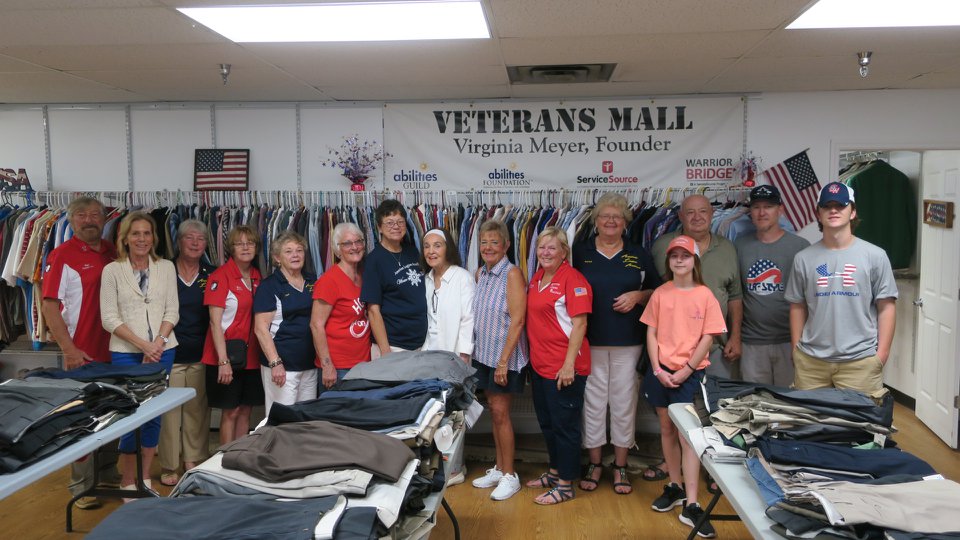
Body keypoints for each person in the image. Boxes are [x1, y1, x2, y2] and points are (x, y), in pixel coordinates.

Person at [572, 193, 661, 495]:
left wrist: (638, 296)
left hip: (628, 341)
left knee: (624, 403)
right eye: (604, 216)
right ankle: (595, 463)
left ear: (625, 222)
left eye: (617, 216)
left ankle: (621, 465)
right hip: (590, 340)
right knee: (593, 403)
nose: (610, 221)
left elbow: (658, 290)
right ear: (595, 222)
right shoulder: (580, 251)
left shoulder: (639, 253)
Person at [641, 235, 727, 538]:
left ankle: (692, 503)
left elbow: (709, 336)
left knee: (688, 437)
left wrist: (687, 368)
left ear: (694, 261)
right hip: (660, 373)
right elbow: (651, 333)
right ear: (669, 261)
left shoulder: (705, 295)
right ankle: (674, 486)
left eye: (685, 256)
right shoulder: (661, 294)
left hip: (689, 374)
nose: (679, 260)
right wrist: (656, 368)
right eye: (674, 256)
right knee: (666, 429)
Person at [40, 196, 122, 509]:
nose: (89, 220)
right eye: (82, 215)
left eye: (95, 215)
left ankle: (107, 472)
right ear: (72, 221)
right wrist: (68, 349)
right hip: (81, 352)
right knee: (81, 420)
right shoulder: (62, 255)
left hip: (115, 350)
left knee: (114, 413)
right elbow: (49, 306)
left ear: (104, 219)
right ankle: (82, 487)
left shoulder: (114, 251)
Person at [785, 182, 898, 398]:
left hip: (860, 362)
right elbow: (797, 306)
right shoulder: (804, 259)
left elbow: (887, 307)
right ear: (818, 213)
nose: (834, 210)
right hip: (811, 363)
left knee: (859, 429)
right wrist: (796, 350)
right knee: (811, 427)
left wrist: (881, 355)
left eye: (841, 205)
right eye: (827, 206)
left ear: (852, 211)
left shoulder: (875, 256)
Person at [100, 211, 179, 496]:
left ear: (153, 238)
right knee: (128, 414)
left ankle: (145, 480)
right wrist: (143, 345)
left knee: (153, 414)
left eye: (147, 233)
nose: (142, 239)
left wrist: (157, 342)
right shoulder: (112, 270)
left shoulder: (166, 267)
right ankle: (127, 481)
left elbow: (172, 310)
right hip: (125, 352)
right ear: (125, 238)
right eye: (136, 233)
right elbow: (109, 318)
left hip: (163, 350)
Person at [524, 227, 592, 505]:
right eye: (542, 247)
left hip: (564, 367)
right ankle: (554, 472)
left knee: (565, 426)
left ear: (564, 252)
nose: (546, 253)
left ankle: (565, 485)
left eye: (552, 248)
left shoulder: (573, 279)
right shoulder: (537, 277)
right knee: (548, 423)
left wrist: (567, 365)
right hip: (540, 366)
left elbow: (580, 324)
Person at [652, 194, 743, 379]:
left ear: (712, 214)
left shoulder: (727, 248)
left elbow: (735, 296)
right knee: (677, 405)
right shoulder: (662, 246)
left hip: (717, 348)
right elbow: (652, 293)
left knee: (717, 404)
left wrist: (735, 337)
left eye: (703, 211)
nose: (697, 217)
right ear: (680, 216)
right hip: (674, 350)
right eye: (690, 212)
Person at [469, 220, 529, 501]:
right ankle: (499, 467)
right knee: (494, 411)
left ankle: (510, 475)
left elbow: (517, 321)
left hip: (504, 357)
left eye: (495, 242)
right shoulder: (482, 272)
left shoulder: (512, 273)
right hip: (485, 356)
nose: (488, 247)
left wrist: (504, 361)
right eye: (484, 242)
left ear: (506, 245)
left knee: (502, 414)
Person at [158, 219, 216, 486]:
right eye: (189, 238)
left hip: (200, 354)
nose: (195, 243)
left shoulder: (211, 274)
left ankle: (193, 459)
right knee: (169, 414)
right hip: (168, 353)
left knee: (196, 410)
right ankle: (170, 464)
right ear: (179, 241)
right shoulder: (163, 270)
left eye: (200, 239)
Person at [735, 185, 809, 386]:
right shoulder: (739, 246)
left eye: (768, 206)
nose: (761, 212)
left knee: (790, 406)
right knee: (755, 405)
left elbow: (809, 299)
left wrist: (801, 344)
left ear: (780, 210)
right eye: (756, 207)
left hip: (790, 341)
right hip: (752, 342)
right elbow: (736, 295)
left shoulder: (800, 247)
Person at [201, 225, 264, 445]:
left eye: (250, 243)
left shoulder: (258, 277)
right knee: (231, 411)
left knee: (246, 409)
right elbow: (215, 323)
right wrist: (223, 360)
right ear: (231, 248)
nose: (246, 247)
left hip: (252, 358)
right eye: (240, 243)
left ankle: (239, 457)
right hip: (225, 356)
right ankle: (222, 461)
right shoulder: (220, 277)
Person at [254, 231, 319, 415]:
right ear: (277, 257)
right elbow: (261, 329)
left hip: (309, 365)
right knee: (282, 422)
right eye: (289, 251)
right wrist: (275, 363)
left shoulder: (312, 281)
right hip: (283, 367)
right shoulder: (269, 286)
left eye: (299, 250)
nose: (295, 255)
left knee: (306, 422)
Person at [361, 199, 427, 356]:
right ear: (379, 227)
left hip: (421, 343)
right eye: (389, 222)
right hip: (393, 346)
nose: (396, 226)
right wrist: (386, 352)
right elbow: (373, 310)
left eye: (400, 222)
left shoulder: (413, 252)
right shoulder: (374, 260)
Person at [311, 222, 371, 389]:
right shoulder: (329, 281)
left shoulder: (364, 275)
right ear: (338, 249)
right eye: (347, 243)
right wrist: (327, 366)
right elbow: (316, 325)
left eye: (358, 241)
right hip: (338, 367)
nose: (354, 247)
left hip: (363, 364)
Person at [421, 228, 475, 362]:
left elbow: (468, 319)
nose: (431, 251)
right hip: (427, 353)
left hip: (454, 355)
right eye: (426, 246)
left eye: (437, 246)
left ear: (448, 248)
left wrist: (464, 354)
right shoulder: (426, 280)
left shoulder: (463, 278)